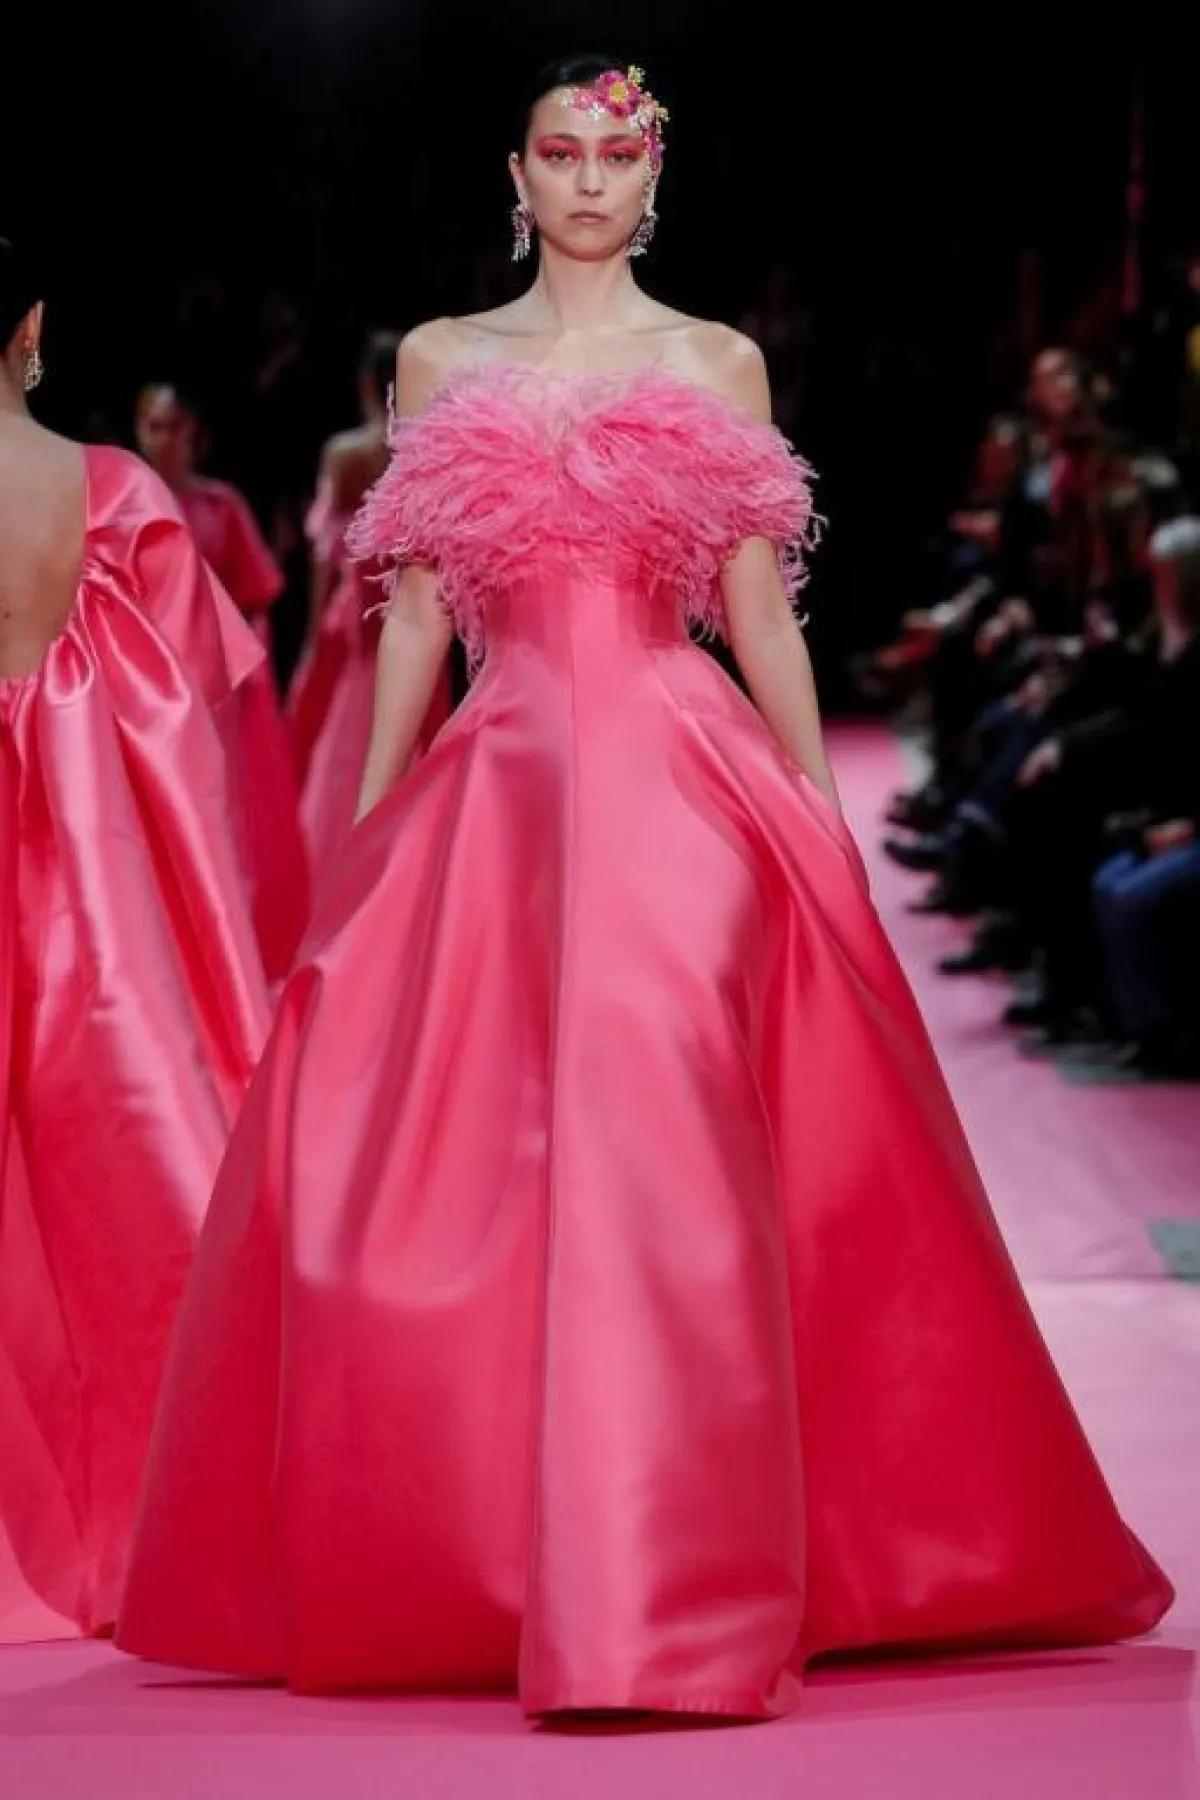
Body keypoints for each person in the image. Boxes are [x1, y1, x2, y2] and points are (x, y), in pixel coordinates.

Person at [116, 58, 1172, 1719]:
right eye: (563, 152)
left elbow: (758, 616)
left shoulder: (715, 361)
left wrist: (819, 818)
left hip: (682, 781)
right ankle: (512, 1551)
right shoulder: (442, 359)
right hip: (504, 783)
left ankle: (674, 1571)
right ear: (516, 175)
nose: (591, 178)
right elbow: (416, 618)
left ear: (653, 177)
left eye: (619, 153)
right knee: (486, 1157)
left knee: (669, 1125)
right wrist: (368, 837)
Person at [0, 240, 272, 1643]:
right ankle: (171, 1512)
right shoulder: (117, 496)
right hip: (91, 901)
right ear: (30, 327)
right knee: (128, 1196)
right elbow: (193, 721)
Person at [136, 382, 310, 981]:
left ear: (196, 435)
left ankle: (225, 944)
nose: (166, 438)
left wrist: (245, 675)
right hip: (144, 685)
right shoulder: (125, 503)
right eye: (155, 425)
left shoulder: (220, 506)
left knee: (220, 811)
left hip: (213, 688)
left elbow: (257, 593)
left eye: (176, 426)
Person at [289, 331, 453, 872]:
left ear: (365, 385)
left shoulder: (346, 457)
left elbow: (326, 556)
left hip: (360, 630)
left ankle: (341, 873)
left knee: (347, 755)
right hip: (422, 629)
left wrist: (312, 641)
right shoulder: (431, 457)